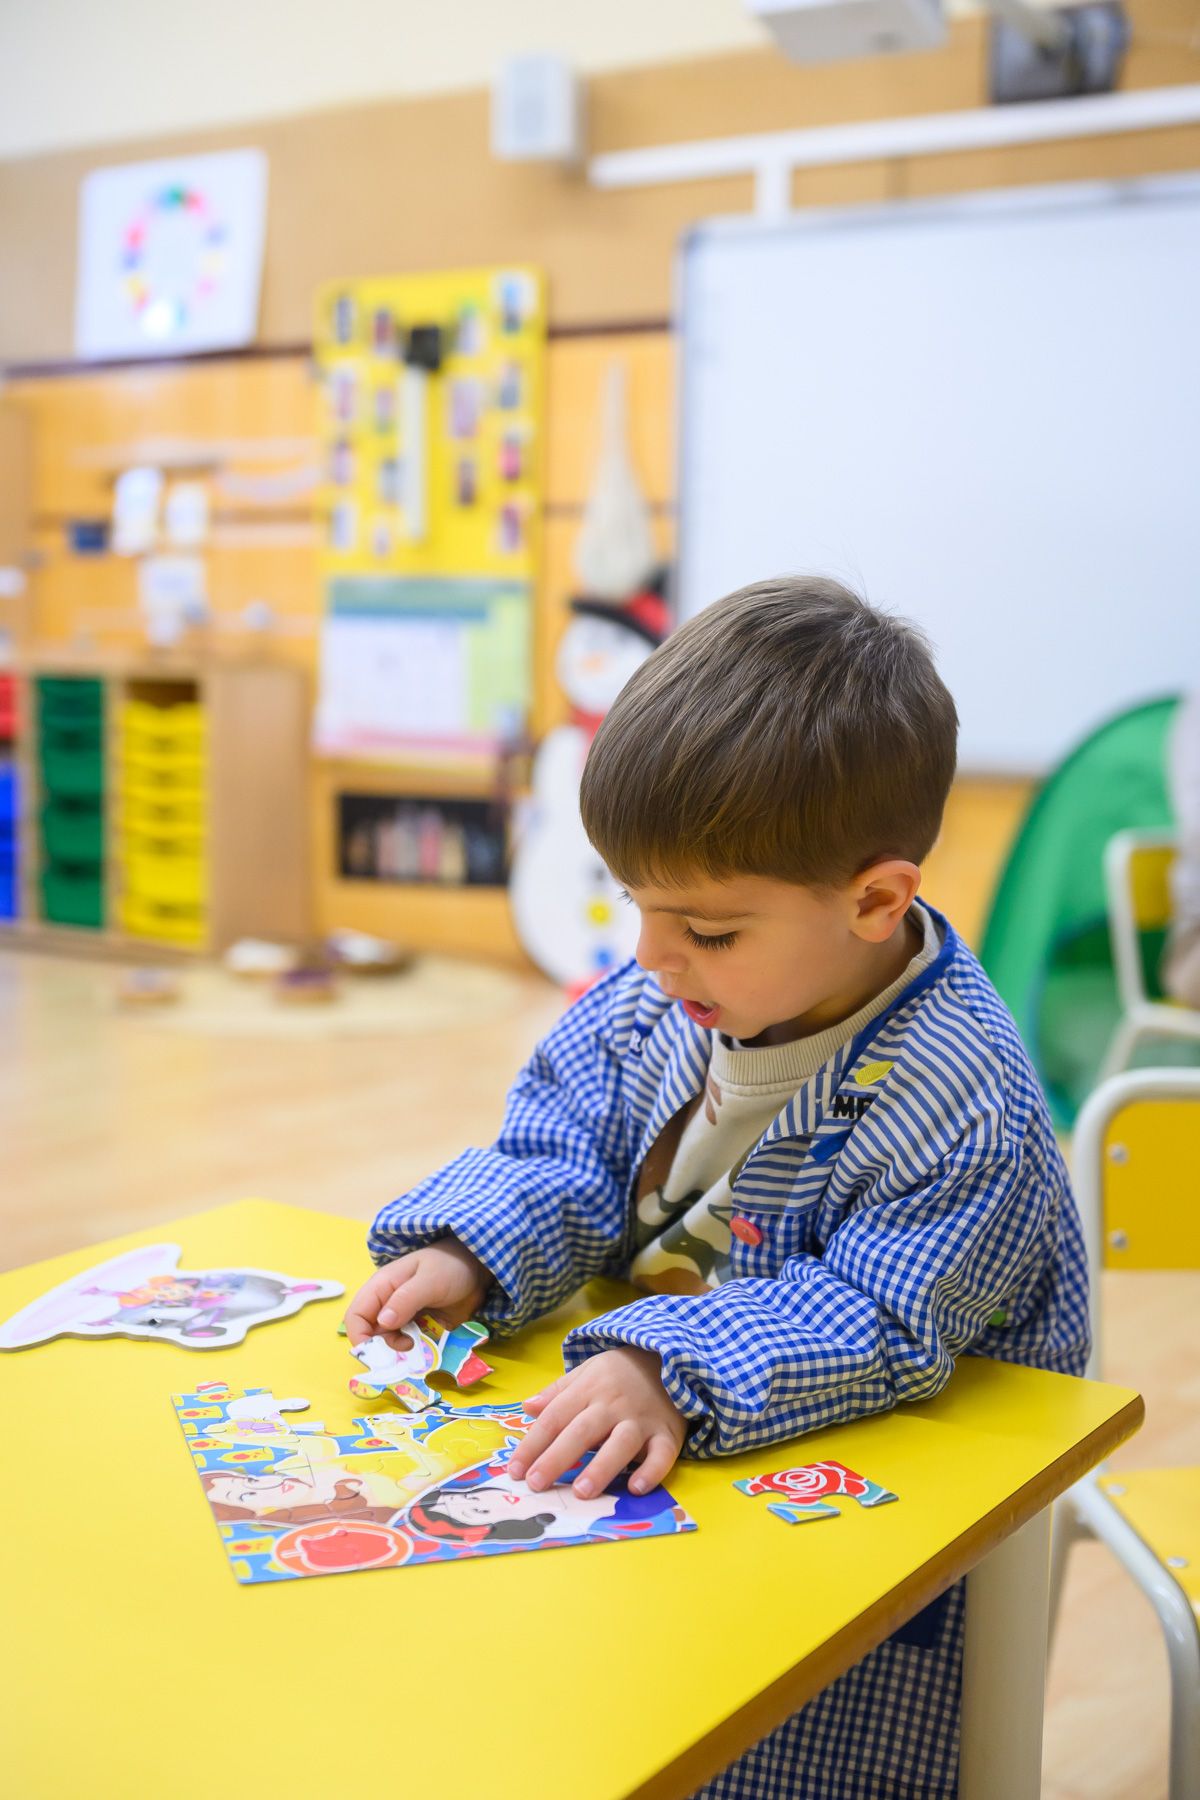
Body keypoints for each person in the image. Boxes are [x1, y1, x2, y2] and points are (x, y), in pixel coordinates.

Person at [346, 576, 1090, 1800]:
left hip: (874, 1507)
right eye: (635, 904)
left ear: (876, 900)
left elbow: (873, 1319)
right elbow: (563, 1153)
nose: (648, 954)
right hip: (667, 1463)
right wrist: (478, 1248)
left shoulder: (966, 1097)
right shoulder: (662, 993)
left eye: (706, 926)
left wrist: (664, 1365)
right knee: (609, 1709)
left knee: (792, 1750)